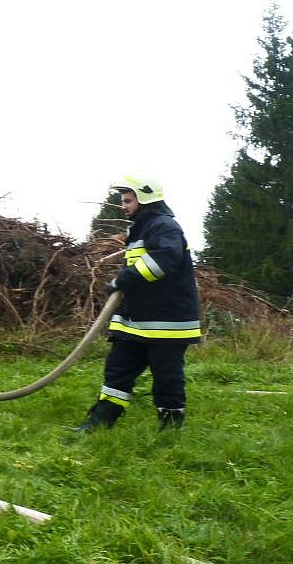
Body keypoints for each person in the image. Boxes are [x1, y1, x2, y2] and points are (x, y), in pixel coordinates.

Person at [74, 172, 201, 432]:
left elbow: (163, 261)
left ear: (145, 200)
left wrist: (122, 280)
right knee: (117, 370)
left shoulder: (164, 226)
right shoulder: (141, 229)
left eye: (128, 201)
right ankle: (101, 421)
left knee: (166, 377)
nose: (123, 206)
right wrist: (123, 284)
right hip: (135, 320)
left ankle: (170, 427)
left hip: (166, 322)